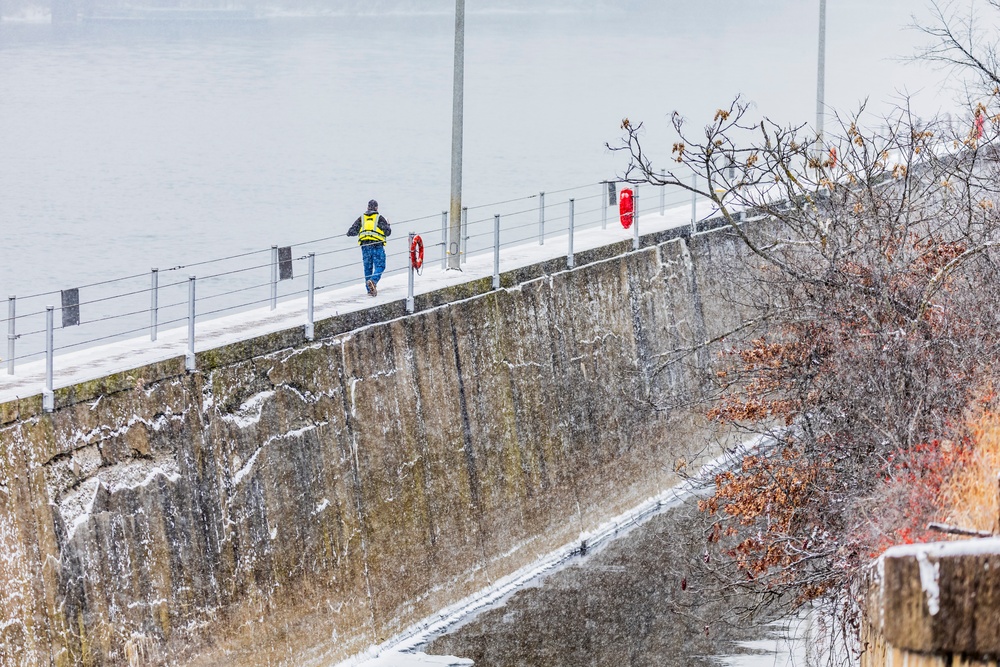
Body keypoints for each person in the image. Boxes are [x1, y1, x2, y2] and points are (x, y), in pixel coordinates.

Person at [347, 199, 391, 297]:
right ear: (376, 208)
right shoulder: (379, 218)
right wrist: (388, 225)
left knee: (368, 268)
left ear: (367, 208)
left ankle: (370, 290)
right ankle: (373, 281)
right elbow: (388, 232)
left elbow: (351, 232)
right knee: (380, 265)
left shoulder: (361, 218)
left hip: (365, 246)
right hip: (377, 245)